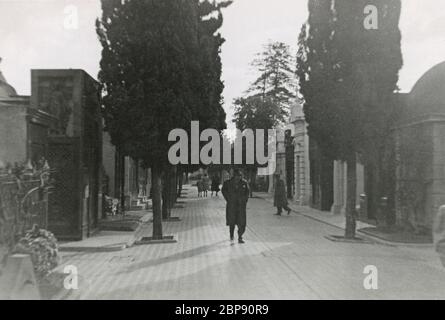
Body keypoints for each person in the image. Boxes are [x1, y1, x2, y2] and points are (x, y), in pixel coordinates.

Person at [222, 169, 250, 244]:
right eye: (237, 176)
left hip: (241, 206)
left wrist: (244, 200)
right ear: (234, 176)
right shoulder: (227, 183)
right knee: (232, 222)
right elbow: (223, 190)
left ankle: (240, 237)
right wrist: (228, 198)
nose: (238, 177)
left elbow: (247, 192)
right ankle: (231, 235)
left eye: (240, 176)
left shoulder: (244, 183)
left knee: (242, 223)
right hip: (232, 205)